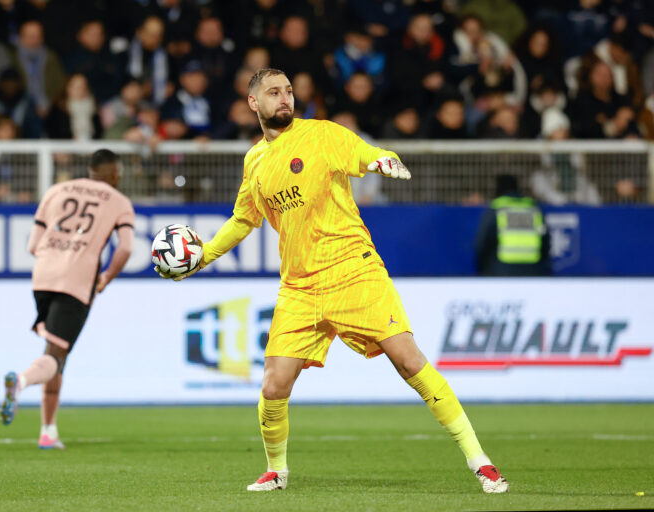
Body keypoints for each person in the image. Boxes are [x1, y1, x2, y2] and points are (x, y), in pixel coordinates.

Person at [157, 68, 509, 494]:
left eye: (288, 90)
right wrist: (202, 258)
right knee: (274, 384)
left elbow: (366, 153)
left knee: (409, 361)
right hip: (300, 286)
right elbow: (242, 219)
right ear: (254, 103)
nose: (284, 98)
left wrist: (385, 161)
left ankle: (481, 461)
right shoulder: (255, 160)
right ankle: (277, 470)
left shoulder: (323, 134)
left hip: (353, 270)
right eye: (273, 92)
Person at [0, 149, 135, 449]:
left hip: (42, 275)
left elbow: (33, 244)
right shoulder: (119, 201)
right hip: (77, 279)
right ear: (114, 173)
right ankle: (19, 382)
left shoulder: (57, 190)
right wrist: (106, 277)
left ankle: (48, 432)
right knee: (56, 356)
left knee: (55, 349)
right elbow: (125, 248)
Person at [475, 174, 551, 276]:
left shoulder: (497, 209)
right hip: (533, 271)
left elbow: (482, 244)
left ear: (498, 190)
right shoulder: (533, 209)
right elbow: (546, 242)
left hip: (502, 271)